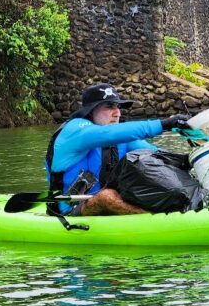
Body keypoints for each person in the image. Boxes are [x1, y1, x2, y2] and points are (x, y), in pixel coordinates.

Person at [45, 83, 191, 216]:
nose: (117, 113)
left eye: (117, 107)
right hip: (71, 211)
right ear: (90, 112)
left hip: (110, 202)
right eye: (109, 106)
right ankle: (157, 222)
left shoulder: (119, 138)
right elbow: (107, 135)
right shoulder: (74, 130)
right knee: (106, 197)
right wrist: (165, 124)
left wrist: (191, 159)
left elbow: (157, 154)